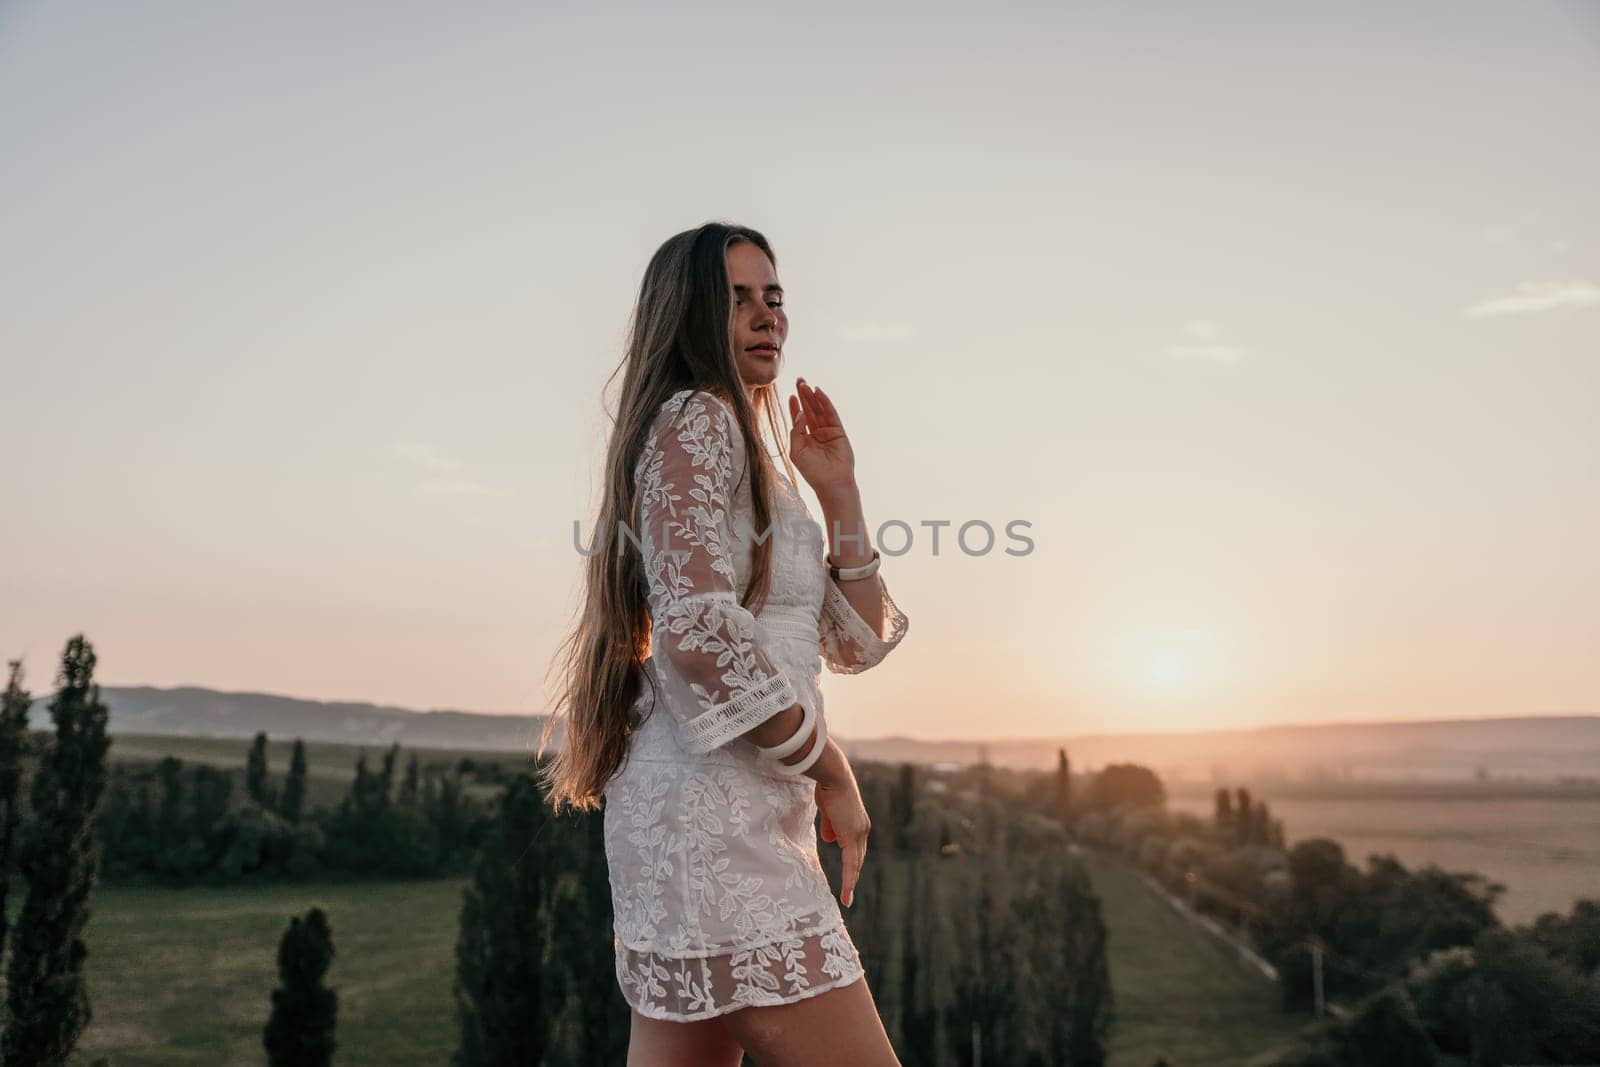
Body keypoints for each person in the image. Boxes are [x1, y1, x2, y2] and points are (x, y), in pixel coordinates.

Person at [537, 221, 910, 1066]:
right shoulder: (699, 421)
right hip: (716, 816)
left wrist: (840, 489)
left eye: (773, 297)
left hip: (718, 808)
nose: (765, 314)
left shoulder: (753, 456)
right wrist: (833, 768)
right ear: (690, 313)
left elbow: (850, 644)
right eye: (737, 298)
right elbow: (698, 633)